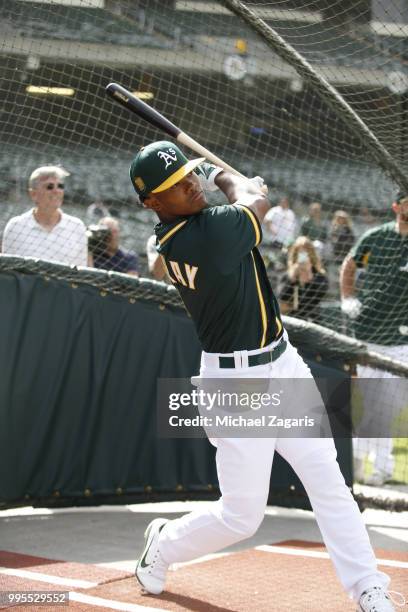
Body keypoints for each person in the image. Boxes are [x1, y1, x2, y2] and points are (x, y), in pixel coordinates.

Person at [126, 140, 397, 610]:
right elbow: (257, 204)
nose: (189, 187)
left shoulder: (204, 226)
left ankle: (368, 587)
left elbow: (250, 206)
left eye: (190, 176)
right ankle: (164, 543)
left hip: (282, 362)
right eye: (175, 186)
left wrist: (235, 188)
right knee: (241, 516)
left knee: (328, 481)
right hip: (237, 385)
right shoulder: (197, 236)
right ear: (151, 203)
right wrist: (229, 180)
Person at [340, 191, 408, 487]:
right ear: (396, 206)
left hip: (401, 339)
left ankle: (379, 466)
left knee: (391, 405)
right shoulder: (376, 236)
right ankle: (360, 464)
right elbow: (349, 264)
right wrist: (347, 298)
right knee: (367, 402)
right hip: (367, 332)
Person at [2, 165, 88, 266]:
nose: (56, 191)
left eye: (60, 186)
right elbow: (7, 271)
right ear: (33, 194)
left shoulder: (77, 226)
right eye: (49, 187)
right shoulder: (16, 226)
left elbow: (82, 271)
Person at [279, 236, 328, 322]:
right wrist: (292, 279)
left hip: (313, 321)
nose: (303, 256)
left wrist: (309, 276)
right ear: (295, 254)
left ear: (311, 254)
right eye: (300, 252)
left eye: (305, 252)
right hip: (292, 321)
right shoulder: (287, 276)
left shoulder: (319, 276)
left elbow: (319, 296)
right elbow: (282, 303)